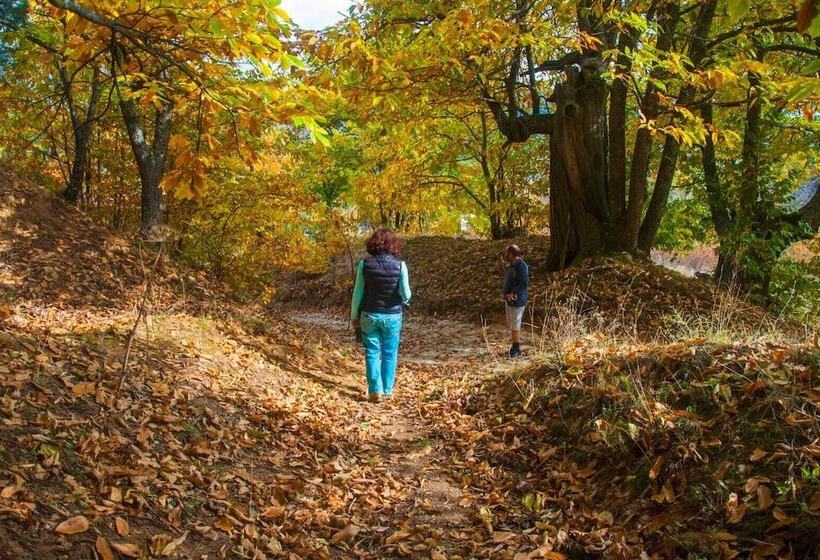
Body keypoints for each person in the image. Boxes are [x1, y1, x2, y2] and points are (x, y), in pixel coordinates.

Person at [350, 229, 412, 402]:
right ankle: (387, 390)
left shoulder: (364, 264)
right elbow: (406, 294)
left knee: (372, 352)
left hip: (369, 315)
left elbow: (357, 293)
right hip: (393, 315)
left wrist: (354, 315)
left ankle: (375, 391)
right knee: (390, 353)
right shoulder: (401, 265)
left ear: (373, 244)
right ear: (394, 245)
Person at [503, 244, 529, 358]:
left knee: (515, 324)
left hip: (517, 299)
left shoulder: (521, 266)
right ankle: (514, 347)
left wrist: (513, 293)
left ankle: (516, 349)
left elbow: (523, 283)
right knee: (512, 324)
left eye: (507, 253)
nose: (506, 255)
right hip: (510, 300)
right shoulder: (512, 266)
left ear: (512, 254)